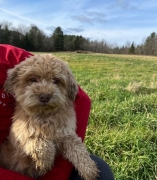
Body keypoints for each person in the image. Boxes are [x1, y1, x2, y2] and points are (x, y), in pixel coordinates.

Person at [0, 44, 114, 180]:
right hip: (10, 167)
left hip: (52, 168)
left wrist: (83, 165)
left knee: (100, 172)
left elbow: (69, 138)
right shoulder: (22, 115)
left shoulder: (10, 57)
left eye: (55, 81)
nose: (44, 93)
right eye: (33, 80)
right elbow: (26, 139)